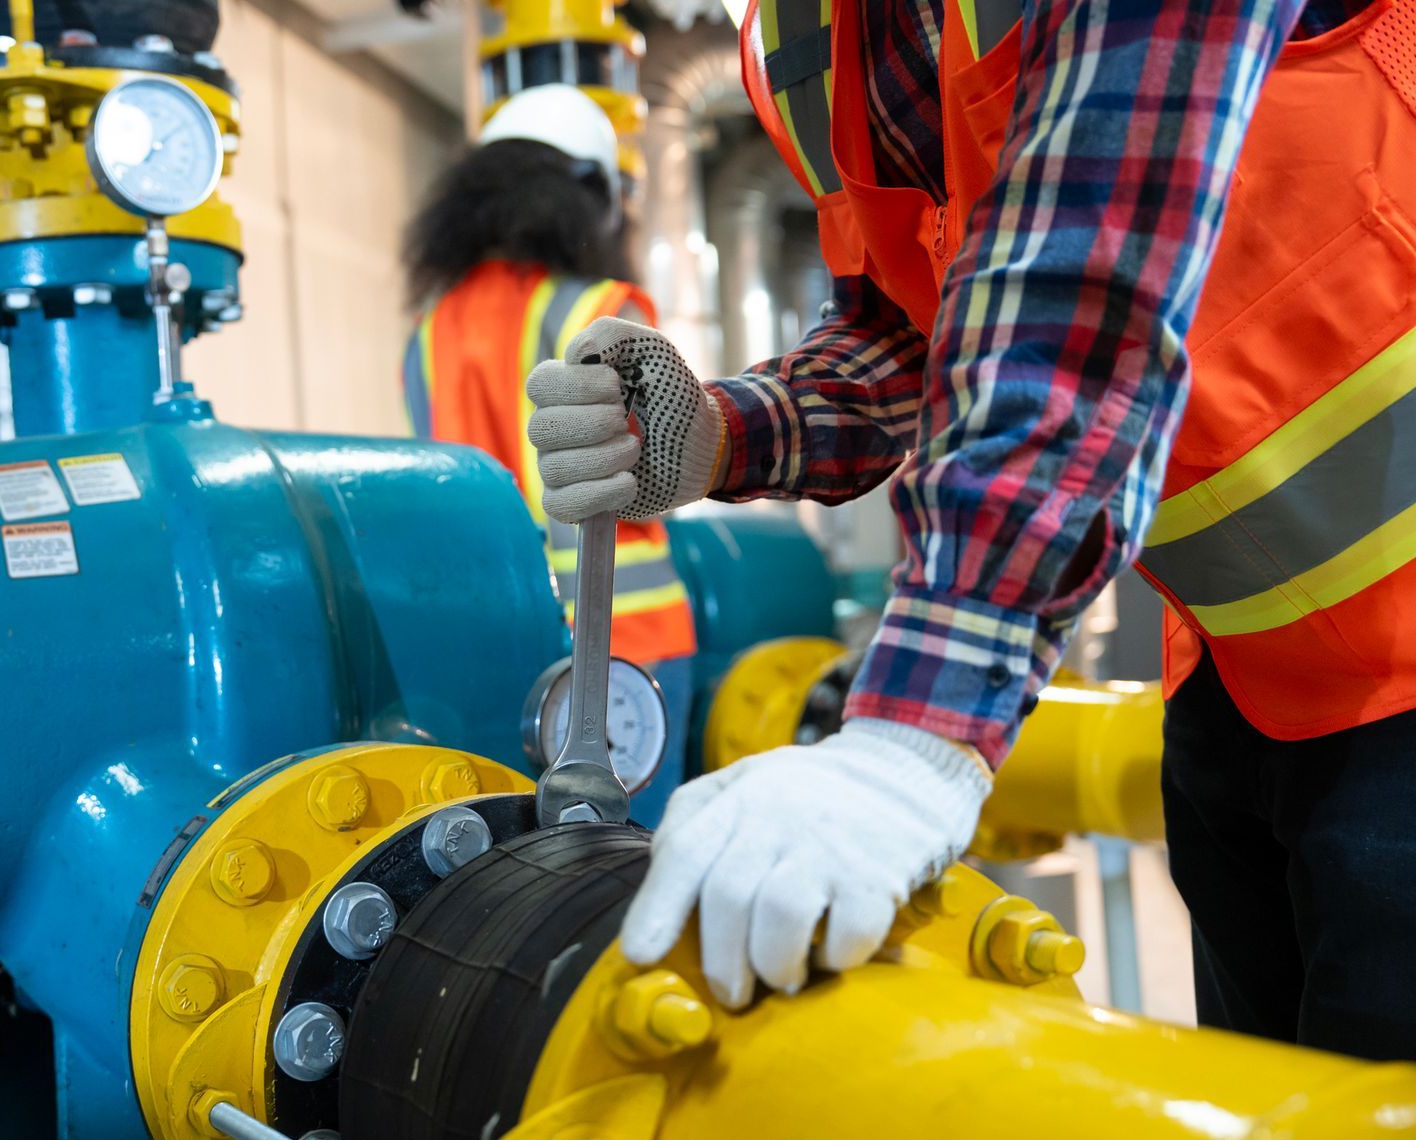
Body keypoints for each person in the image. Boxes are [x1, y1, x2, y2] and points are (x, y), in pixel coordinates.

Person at [527, 0, 1416, 1060]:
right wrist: (716, 432)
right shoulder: (800, 46)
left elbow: (1083, 280)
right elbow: (907, 326)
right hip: (1242, 673)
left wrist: (916, 735)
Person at [403, 84, 699, 827]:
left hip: (498, 647)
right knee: (629, 884)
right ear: (591, 196)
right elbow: (674, 466)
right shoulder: (600, 309)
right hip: (628, 648)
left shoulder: (429, 332)